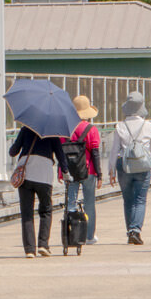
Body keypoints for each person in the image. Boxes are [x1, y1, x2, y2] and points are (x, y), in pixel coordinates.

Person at [111, 90, 151, 244]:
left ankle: (130, 232)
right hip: (143, 166)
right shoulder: (148, 125)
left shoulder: (120, 126)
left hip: (124, 166)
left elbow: (114, 150)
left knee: (127, 200)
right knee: (140, 199)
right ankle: (136, 230)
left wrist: (111, 170)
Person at [8, 118, 64, 257]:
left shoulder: (26, 129)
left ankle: (29, 249)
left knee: (27, 212)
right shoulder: (53, 132)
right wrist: (65, 171)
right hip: (44, 174)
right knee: (46, 210)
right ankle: (43, 245)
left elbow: (13, 151)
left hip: (26, 174)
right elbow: (60, 154)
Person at [64, 94, 102, 245]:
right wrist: (99, 174)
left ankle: (71, 233)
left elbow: (62, 152)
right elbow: (95, 153)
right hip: (89, 171)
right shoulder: (91, 129)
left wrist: (62, 171)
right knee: (89, 204)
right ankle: (89, 236)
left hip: (71, 172)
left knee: (71, 202)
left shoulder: (67, 129)